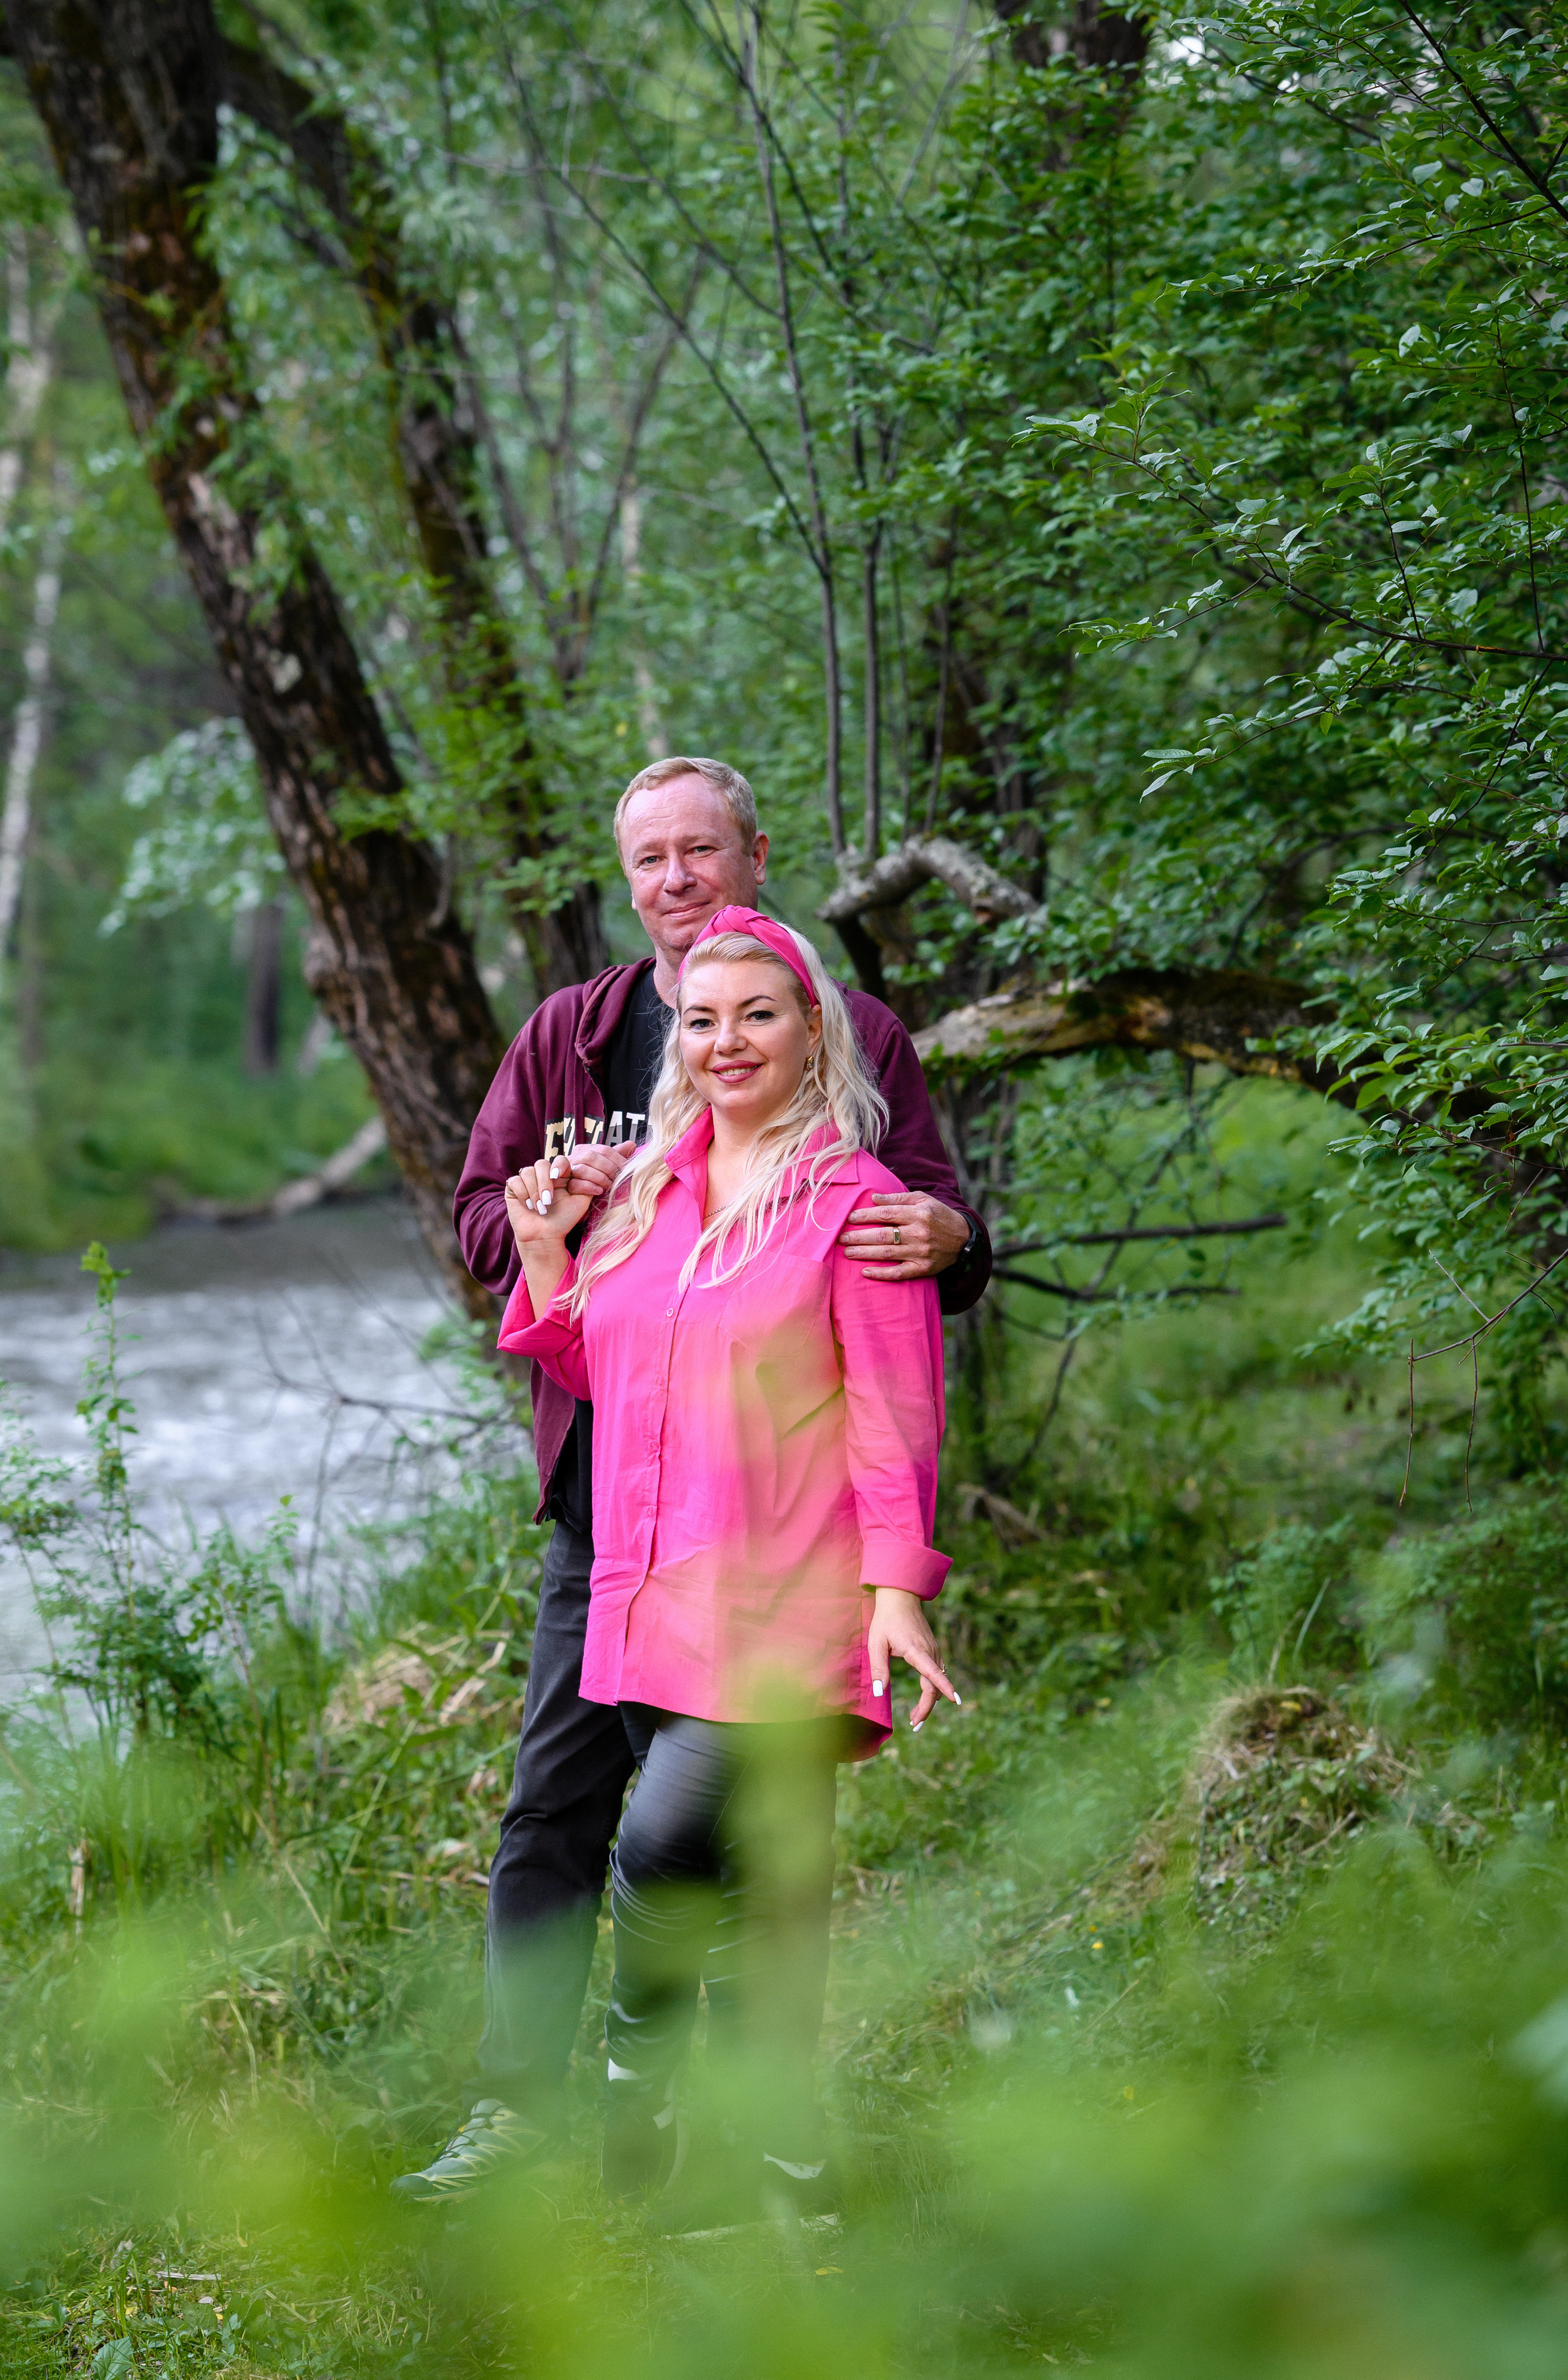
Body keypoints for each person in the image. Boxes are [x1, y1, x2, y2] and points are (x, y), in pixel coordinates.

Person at [392, 757, 990, 2203]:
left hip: (781, 1525)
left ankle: (758, 2122)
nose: (675, 880)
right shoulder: (570, 1038)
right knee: (556, 1805)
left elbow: (921, 1234)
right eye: (648, 858)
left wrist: (950, 1242)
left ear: (752, 856)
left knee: (756, 1834)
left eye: (700, 851)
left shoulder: (854, 1042)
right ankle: (526, 2108)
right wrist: (549, 1223)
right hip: (612, 1503)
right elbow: (485, 1217)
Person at [495, 906, 960, 2215]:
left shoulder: (855, 1205)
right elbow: (612, 1370)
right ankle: (784, 2160)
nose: (726, 1039)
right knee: (765, 1876)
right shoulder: (647, 1189)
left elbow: (895, 1415)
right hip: (651, 1597)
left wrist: (895, 1590)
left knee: (655, 1840)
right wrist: (545, 1256)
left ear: (812, 1028)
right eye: (701, 1018)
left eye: (756, 1012)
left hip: (790, 1604)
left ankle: (638, 2111)